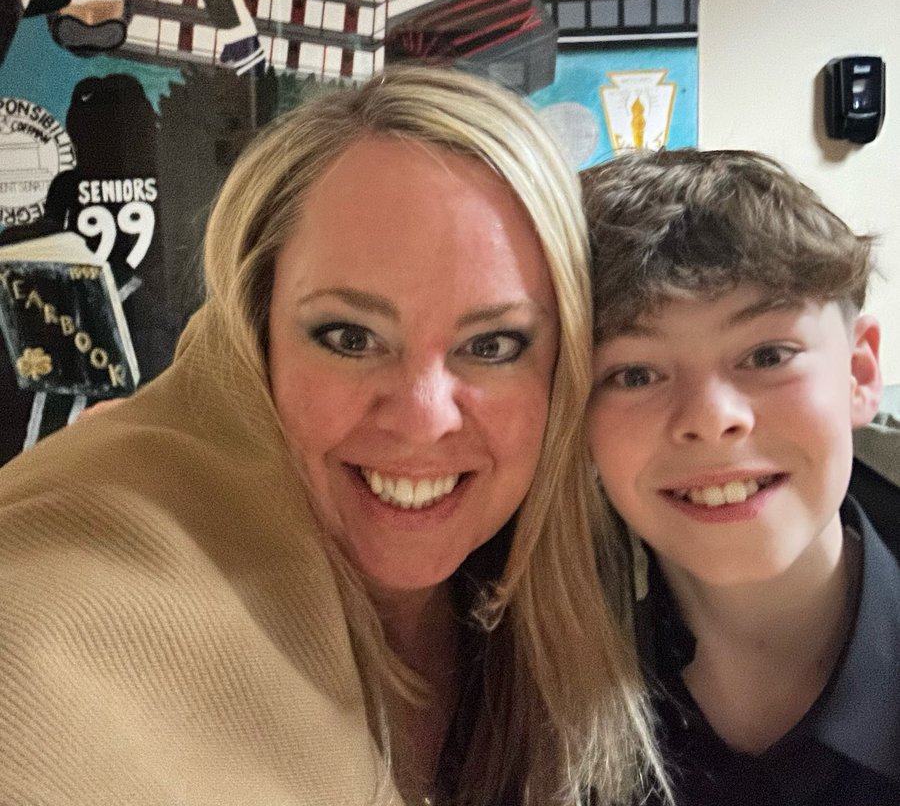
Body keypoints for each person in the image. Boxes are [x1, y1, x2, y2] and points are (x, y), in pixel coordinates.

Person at [0, 66, 663, 806]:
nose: (422, 419)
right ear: (255, 337)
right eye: (350, 337)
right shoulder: (91, 582)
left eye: (493, 346)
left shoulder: (626, 596)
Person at [581, 148, 900, 806]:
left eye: (768, 354)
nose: (710, 419)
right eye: (635, 373)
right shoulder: (518, 687)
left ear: (860, 374)